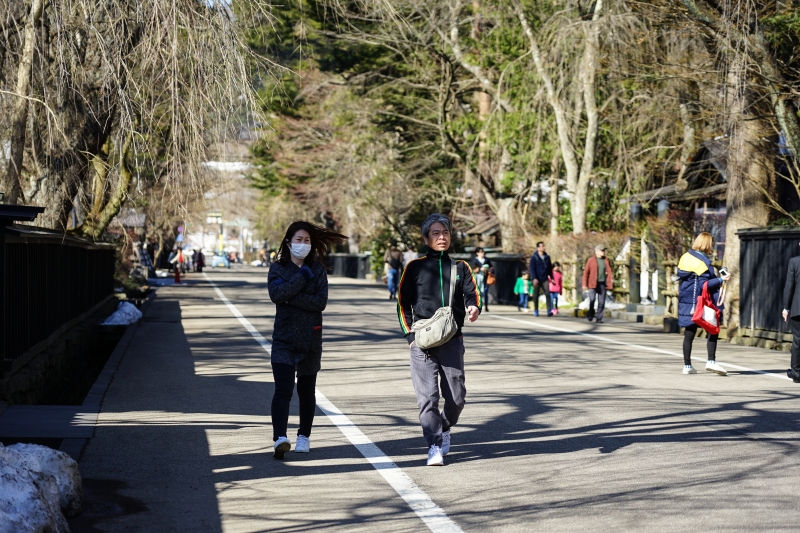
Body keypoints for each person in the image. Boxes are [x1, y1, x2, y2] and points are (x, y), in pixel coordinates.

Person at [397, 214, 481, 466]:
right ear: (426, 238)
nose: (441, 237)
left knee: (456, 398)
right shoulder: (414, 267)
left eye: (444, 232)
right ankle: (433, 445)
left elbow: (472, 294)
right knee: (427, 398)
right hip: (422, 342)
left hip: (452, 341)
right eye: (435, 233)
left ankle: (444, 426)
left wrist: (473, 307)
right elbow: (402, 303)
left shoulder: (461, 267)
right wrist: (410, 337)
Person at [267, 221, 347, 459]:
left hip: (311, 338)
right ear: (288, 242)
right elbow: (276, 295)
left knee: (306, 390)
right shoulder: (277, 269)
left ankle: (304, 436)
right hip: (283, 338)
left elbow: (319, 303)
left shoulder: (318, 269)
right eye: (299, 240)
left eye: (307, 241)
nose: (303, 244)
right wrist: (302, 278)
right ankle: (280, 437)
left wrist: (291, 296)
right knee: (282, 390)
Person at [677, 232, 730, 375]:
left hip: (687, 301)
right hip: (702, 302)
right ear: (707, 244)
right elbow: (704, 284)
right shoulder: (701, 263)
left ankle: (687, 366)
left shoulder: (686, 257)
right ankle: (711, 361)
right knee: (713, 330)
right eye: (711, 244)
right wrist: (721, 280)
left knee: (689, 333)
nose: (712, 247)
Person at [782, 243, 800, 382]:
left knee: (798, 340)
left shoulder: (794, 261)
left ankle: (796, 372)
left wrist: (786, 307)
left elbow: (790, 286)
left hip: (798, 308)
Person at [582, 245, 613, 323]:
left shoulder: (606, 260)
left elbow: (609, 272)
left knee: (601, 302)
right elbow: (586, 273)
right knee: (592, 299)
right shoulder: (591, 260)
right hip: (593, 283)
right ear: (597, 251)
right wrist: (584, 284)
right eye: (601, 250)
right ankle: (590, 314)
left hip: (602, 283)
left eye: (603, 251)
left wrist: (609, 281)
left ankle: (599, 318)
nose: (603, 252)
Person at [529, 241, 553, 317]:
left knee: (548, 294)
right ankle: (536, 310)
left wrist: (551, 278)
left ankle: (549, 310)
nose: (543, 247)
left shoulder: (547, 257)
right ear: (538, 248)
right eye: (542, 246)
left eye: (544, 246)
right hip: (537, 279)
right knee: (536, 295)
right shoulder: (534, 257)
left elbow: (549, 268)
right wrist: (534, 278)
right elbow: (532, 269)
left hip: (544, 278)